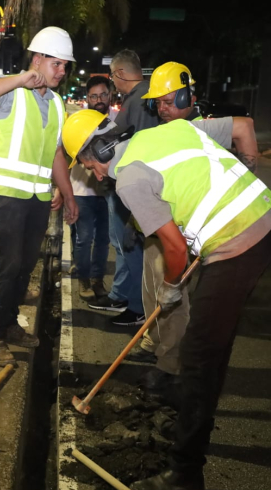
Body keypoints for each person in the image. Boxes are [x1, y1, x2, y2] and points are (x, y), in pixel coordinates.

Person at [62, 108, 271, 490]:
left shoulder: (129, 178)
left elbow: (176, 249)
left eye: (89, 162)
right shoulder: (170, 131)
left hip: (239, 244)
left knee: (199, 356)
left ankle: (185, 473)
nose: (93, 173)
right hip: (266, 224)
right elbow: (237, 135)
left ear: (102, 146)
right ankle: (190, 413)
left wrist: (170, 288)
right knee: (211, 345)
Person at [0, 26, 79, 367]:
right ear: (38, 58)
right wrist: (19, 80)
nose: (61, 71)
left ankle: (11, 324)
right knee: (6, 267)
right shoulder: (11, 91)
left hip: (37, 198)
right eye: (56, 63)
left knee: (25, 266)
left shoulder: (58, 104)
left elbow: (57, 153)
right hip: (4, 196)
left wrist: (68, 194)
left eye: (65, 65)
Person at [124, 62, 203, 395]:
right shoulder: (163, 132)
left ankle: (169, 366)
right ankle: (155, 339)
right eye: (158, 103)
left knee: (174, 300)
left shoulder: (202, 133)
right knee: (153, 292)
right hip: (157, 228)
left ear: (189, 95)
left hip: (180, 234)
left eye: (170, 101)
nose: (163, 109)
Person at [87, 50, 158, 327]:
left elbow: (132, 148)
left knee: (131, 247)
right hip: (131, 186)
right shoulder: (146, 97)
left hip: (133, 188)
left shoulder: (139, 102)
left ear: (118, 74)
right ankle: (125, 296)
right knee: (125, 246)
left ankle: (139, 307)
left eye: (112, 80)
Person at [66, 75, 114, 300]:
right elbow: (65, 157)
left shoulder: (115, 123)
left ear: (110, 94)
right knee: (84, 238)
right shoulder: (79, 122)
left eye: (103, 94)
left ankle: (97, 279)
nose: (99, 99)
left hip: (107, 193)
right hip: (82, 191)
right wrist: (63, 191)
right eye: (94, 96)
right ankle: (83, 278)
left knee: (104, 239)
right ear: (87, 98)